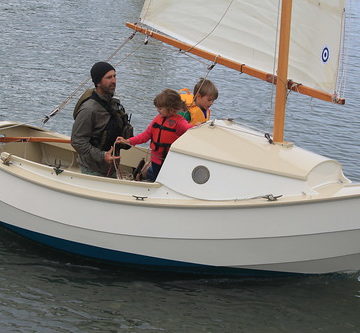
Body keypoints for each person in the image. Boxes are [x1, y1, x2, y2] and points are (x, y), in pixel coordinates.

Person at [71, 61, 133, 177]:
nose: (114, 81)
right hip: (92, 170)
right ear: (98, 82)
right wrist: (102, 156)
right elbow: (77, 141)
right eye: (109, 77)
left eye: (115, 76)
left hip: (111, 168)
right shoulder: (89, 110)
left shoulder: (113, 104)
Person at [116, 89, 193, 182]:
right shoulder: (157, 119)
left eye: (160, 108)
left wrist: (200, 126)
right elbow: (145, 135)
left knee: (166, 181)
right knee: (156, 179)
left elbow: (191, 130)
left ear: (171, 109)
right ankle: (147, 176)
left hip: (169, 162)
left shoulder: (180, 123)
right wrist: (128, 141)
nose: (157, 110)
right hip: (156, 161)